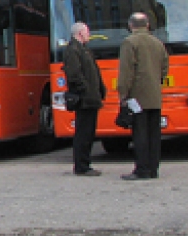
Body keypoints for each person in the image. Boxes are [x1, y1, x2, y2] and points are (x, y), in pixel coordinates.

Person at [116, 12, 169, 180]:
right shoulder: (158, 43)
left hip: (137, 97)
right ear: (147, 25)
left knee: (140, 134)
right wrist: (156, 82)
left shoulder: (129, 42)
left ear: (131, 26)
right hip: (154, 96)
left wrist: (123, 93)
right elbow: (165, 67)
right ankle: (153, 169)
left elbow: (126, 71)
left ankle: (142, 169)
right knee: (154, 134)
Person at [63, 21, 106, 176]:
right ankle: (82, 165)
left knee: (89, 132)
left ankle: (85, 163)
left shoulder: (83, 50)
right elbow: (74, 74)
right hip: (84, 99)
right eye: (87, 32)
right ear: (80, 33)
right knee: (83, 132)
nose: (89, 35)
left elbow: (93, 71)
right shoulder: (73, 50)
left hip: (91, 97)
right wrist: (86, 90)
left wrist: (100, 89)